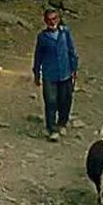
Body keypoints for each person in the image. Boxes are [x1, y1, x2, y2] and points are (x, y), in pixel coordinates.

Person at [32, 7, 78, 142]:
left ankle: (62, 122)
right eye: (49, 20)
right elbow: (38, 56)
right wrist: (36, 73)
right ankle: (51, 128)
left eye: (54, 19)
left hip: (65, 72)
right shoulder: (43, 37)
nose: (52, 22)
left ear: (58, 19)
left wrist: (74, 68)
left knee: (66, 100)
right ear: (45, 21)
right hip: (49, 74)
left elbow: (71, 50)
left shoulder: (65, 33)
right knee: (50, 101)